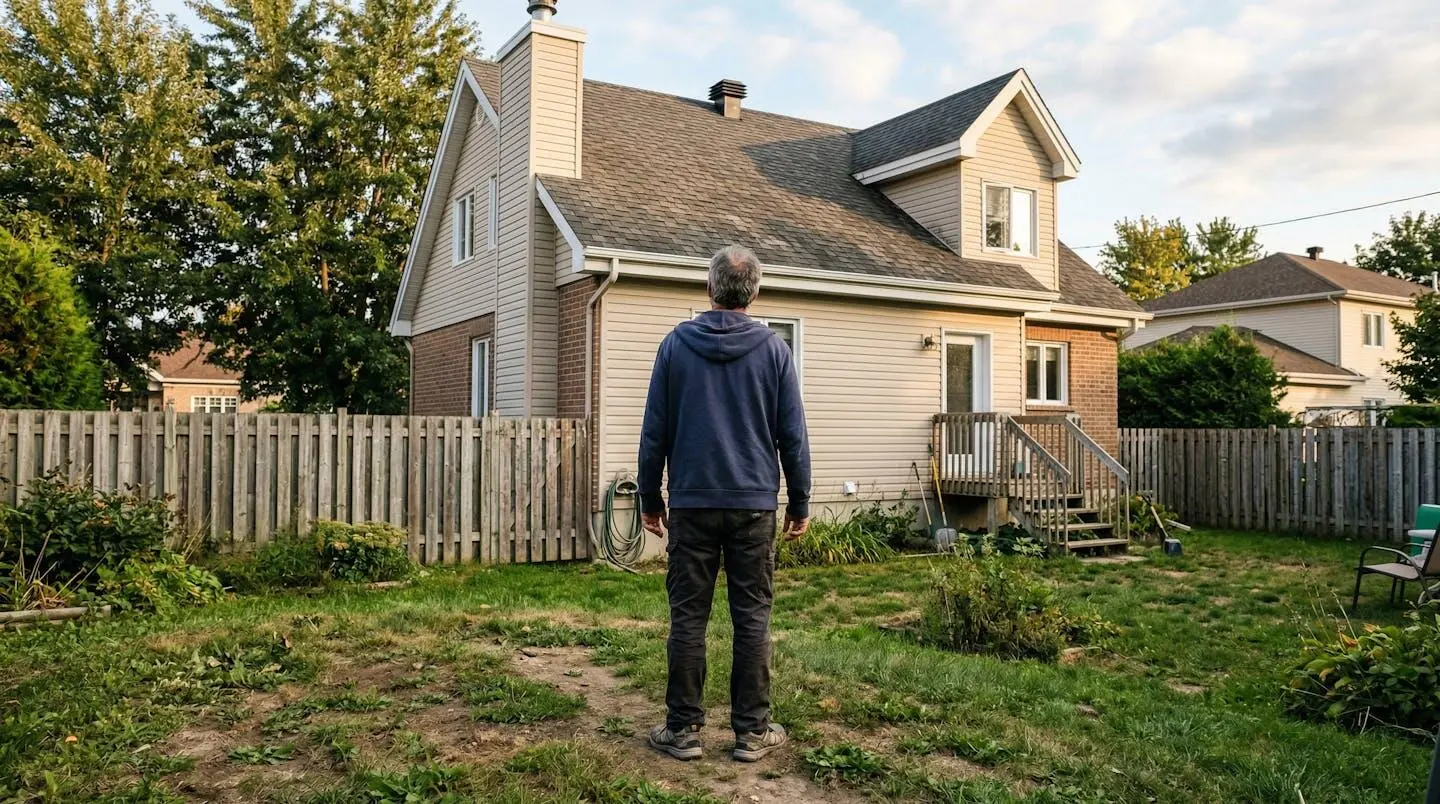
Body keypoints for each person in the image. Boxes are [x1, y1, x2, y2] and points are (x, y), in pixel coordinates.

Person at [637, 244, 811, 763]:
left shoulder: (674, 346)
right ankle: (752, 733)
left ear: (709, 289)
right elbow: (792, 436)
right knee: (751, 616)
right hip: (755, 506)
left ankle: (684, 731)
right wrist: (799, 500)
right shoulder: (775, 351)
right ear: (754, 292)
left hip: (691, 504)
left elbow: (654, 434)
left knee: (688, 617)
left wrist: (650, 498)